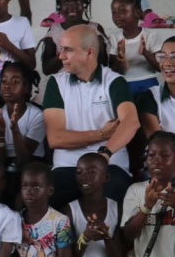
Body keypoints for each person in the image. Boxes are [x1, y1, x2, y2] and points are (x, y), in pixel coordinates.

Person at [42, 24, 139, 206]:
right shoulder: (56, 83)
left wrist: (104, 155)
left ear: (90, 53)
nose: (61, 56)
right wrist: (100, 135)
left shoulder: (114, 81)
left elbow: (131, 123)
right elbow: (55, 138)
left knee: (116, 195)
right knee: (48, 197)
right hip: (68, 166)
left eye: (68, 50)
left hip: (110, 164)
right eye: (62, 49)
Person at [0, 62, 46, 200]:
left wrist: (15, 129)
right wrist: (1, 134)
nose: (7, 85)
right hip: (6, 163)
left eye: (15, 82)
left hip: (31, 164)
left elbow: (24, 159)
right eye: (4, 81)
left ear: (27, 88)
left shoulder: (36, 115)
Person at [40, 0, 103, 76]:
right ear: (59, 5)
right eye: (66, 1)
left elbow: (104, 63)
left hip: (90, 85)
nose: (72, 6)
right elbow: (46, 69)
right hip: (62, 86)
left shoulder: (95, 30)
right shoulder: (54, 31)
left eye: (77, 1)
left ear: (84, 3)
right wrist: (65, 52)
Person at [108, 0, 162, 96]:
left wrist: (145, 53)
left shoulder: (150, 35)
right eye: (114, 12)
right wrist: (120, 58)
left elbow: (160, 67)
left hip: (148, 82)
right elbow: (113, 71)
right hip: (124, 83)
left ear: (137, 13)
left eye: (122, 11)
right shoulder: (114, 38)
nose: (117, 16)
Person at [137, 35, 175, 136]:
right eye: (162, 57)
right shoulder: (150, 97)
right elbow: (158, 144)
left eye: (174, 57)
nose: (166, 63)